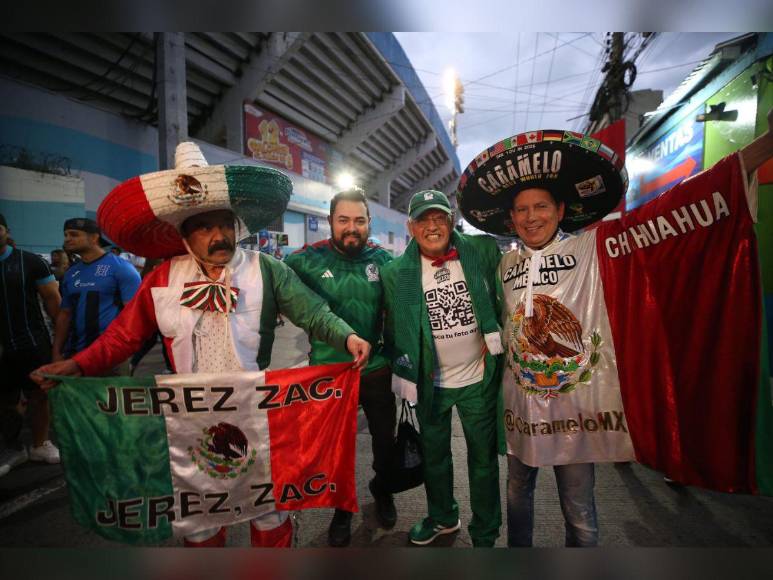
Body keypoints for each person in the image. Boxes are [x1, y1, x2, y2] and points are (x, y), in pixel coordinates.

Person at [32, 142, 371, 548]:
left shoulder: (266, 269)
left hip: (255, 415)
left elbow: (313, 312)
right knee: (201, 522)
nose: (219, 236)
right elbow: (124, 336)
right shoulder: (162, 280)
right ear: (184, 235)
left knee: (269, 513)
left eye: (225, 224)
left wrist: (347, 336)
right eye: (205, 228)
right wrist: (78, 365)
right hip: (188, 422)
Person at [457, 113, 773, 547]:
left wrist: (765, 145)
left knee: (579, 510)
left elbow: (677, 207)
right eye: (522, 210)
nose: (532, 218)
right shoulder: (504, 264)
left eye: (541, 207)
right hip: (520, 409)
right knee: (517, 496)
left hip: (576, 411)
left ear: (561, 210)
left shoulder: (594, 246)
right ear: (511, 219)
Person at [381, 190, 504, 547]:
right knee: (435, 457)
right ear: (410, 227)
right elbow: (393, 329)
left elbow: (502, 297)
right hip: (429, 383)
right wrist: (403, 369)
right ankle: (443, 518)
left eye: (439, 218)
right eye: (424, 220)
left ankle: (485, 532)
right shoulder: (395, 273)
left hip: (477, 378)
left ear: (451, 222)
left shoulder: (481, 251)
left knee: (483, 461)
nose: (432, 227)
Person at [285, 187, 396, 547]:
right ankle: (342, 509)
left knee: (385, 443)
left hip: (376, 371)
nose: (352, 227)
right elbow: (269, 284)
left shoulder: (384, 261)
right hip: (329, 375)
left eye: (359, 220)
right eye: (344, 220)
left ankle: (383, 491)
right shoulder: (305, 261)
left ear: (369, 222)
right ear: (330, 221)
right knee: (337, 451)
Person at [0, 214, 62, 476]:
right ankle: (12, 447)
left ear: (6, 230)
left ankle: (39, 444)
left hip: (32, 342)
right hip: (2, 348)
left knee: (38, 396)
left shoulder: (30, 262)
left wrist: (61, 340)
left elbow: (53, 301)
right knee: (6, 399)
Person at [53, 218, 141, 362]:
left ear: (94, 238)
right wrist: (56, 351)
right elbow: (65, 314)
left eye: (74, 234)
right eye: (66, 235)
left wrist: (123, 349)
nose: (67, 239)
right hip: (75, 353)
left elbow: (134, 315)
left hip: (111, 354)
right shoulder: (71, 273)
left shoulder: (121, 268)